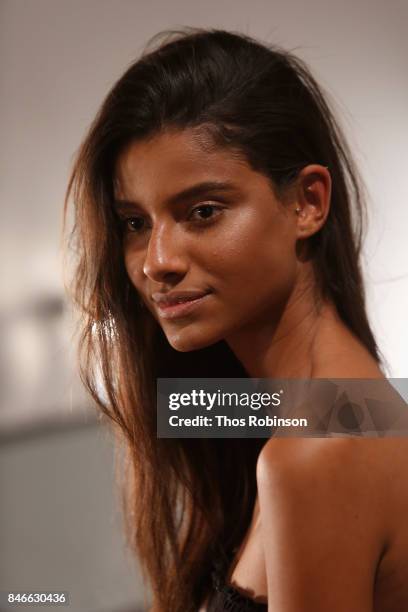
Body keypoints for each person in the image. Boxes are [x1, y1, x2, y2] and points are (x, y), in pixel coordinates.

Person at [64, 27, 408, 612]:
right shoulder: (314, 417)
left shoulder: (319, 451)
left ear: (307, 203)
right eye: (134, 223)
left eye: (202, 211)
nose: (157, 262)